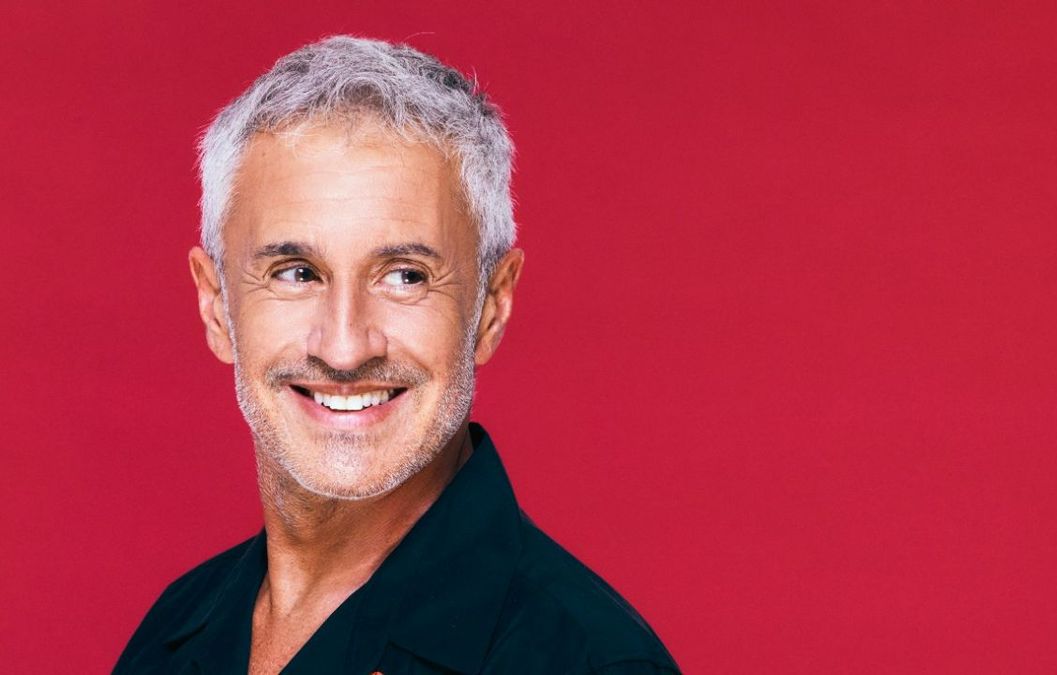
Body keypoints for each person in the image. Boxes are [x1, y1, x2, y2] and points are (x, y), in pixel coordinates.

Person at [114, 35, 679, 674]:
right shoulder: (172, 634)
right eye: (296, 272)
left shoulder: (590, 662)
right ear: (216, 305)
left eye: (406, 276)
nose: (345, 347)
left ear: (491, 307)